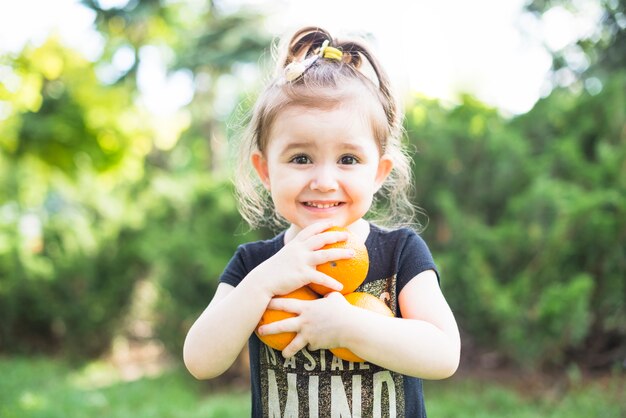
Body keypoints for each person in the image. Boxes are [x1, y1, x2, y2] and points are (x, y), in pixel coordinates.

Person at [183, 26, 460, 417]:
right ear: (265, 170)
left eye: (348, 159)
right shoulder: (254, 264)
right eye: (300, 158)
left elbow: (444, 354)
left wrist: (348, 327)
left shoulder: (400, 252)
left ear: (378, 172)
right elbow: (201, 360)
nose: (324, 181)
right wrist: (265, 280)